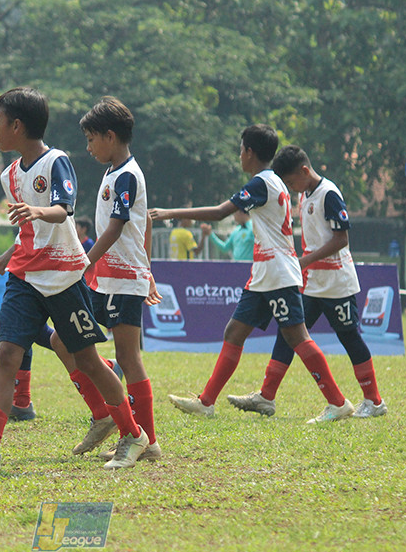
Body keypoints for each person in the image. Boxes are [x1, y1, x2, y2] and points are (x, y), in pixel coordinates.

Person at [0, 86, 148, 471]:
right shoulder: (8, 176)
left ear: (17, 126)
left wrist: (39, 212)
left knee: (88, 361)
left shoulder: (57, 161)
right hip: (24, 276)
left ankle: (132, 433)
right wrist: (9, 254)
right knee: (7, 353)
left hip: (63, 278)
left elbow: (63, 208)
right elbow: (28, 229)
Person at [150, 124, 354, 424]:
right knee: (234, 332)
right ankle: (206, 402)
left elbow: (220, 212)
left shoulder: (262, 183)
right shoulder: (274, 182)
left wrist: (170, 213)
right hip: (265, 274)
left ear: (249, 152)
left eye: (240, 150)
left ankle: (338, 403)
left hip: (277, 273)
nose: (239, 156)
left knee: (297, 337)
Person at [227, 146, 386, 419]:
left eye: (290, 182)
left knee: (349, 336)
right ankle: (267, 396)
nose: (290, 188)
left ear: (304, 171)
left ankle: (374, 401)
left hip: (337, 282)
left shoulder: (329, 194)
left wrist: (303, 261)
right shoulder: (304, 195)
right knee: (288, 334)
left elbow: (341, 239)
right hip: (312, 284)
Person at [48, 96, 162, 462]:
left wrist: (84, 262)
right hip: (107, 280)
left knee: (129, 357)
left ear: (109, 136)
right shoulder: (115, 172)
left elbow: (116, 228)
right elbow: (143, 225)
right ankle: (104, 414)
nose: (88, 147)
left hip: (123, 280)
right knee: (63, 340)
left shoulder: (127, 174)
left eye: (91, 139)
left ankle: (147, 441)